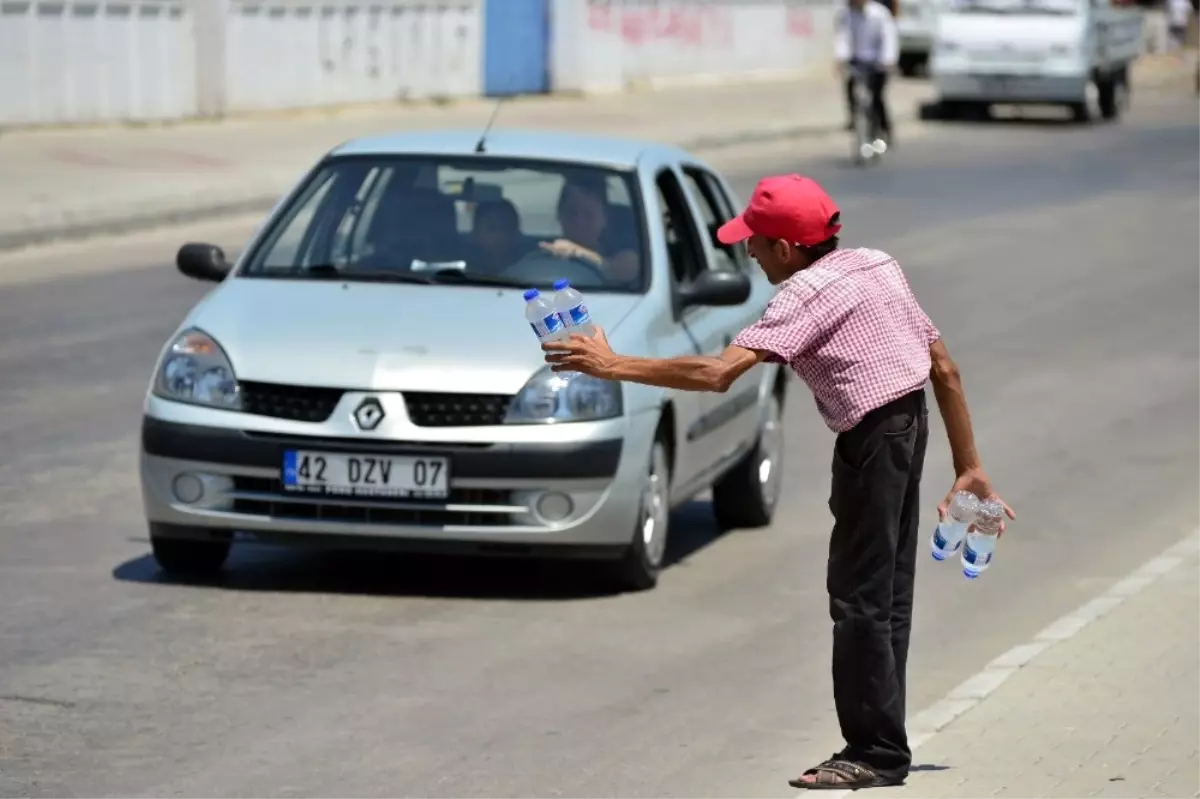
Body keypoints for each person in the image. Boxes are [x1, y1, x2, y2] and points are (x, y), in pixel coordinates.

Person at [542, 174, 1014, 791]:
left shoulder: (800, 298)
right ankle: (884, 745)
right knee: (886, 594)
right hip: (906, 428)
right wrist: (968, 466)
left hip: (875, 444)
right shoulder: (876, 265)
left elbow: (716, 373)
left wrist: (612, 365)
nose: (750, 254)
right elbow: (944, 369)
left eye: (756, 243)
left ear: (787, 248)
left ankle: (873, 752)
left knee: (859, 599)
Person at [538, 176, 641, 286]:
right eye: (571, 213)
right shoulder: (543, 253)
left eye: (589, 215)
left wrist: (577, 252)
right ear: (560, 215)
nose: (579, 222)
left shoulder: (618, 252)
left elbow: (623, 272)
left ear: (604, 219)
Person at [834, 0, 900, 142]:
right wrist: (841, 58)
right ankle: (854, 119)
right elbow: (843, 37)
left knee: (877, 97)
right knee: (852, 88)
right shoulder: (847, 15)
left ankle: (884, 128)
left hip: (878, 62)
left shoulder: (879, 13)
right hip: (858, 60)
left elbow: (888, 37)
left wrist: (888, 60)